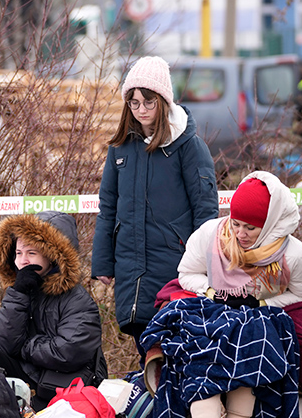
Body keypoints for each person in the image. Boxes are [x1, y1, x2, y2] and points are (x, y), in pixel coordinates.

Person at [142, 171, 302, 418]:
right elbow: (187, 274)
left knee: (251, 339)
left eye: (251, 227)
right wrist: (212, 292)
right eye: (236, 223)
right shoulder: (212, 235)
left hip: (258, 317)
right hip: (211, 310)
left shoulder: (294, 254)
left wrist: (262, 303)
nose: (240, 234)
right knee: (200, 346)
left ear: (270, 224)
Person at [92, 56, 219, 355]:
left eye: (148, 102)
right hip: (129, 271)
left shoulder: (189, 146)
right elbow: (107, 207)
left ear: (163, 101)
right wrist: (102, 263)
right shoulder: (120, 148)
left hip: (175, 268)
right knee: (145, 353)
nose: (141, 110)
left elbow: (205, 210)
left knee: (173, 355)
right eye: (134, 103)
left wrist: (204, 264)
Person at [0, 211, 106, 411]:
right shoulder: (22, 292)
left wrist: (25, 347)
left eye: (31, 253)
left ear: (52, 256)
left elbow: (66, 352)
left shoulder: (77, 300)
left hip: (64, 385)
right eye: (18, 253)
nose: (23, 260)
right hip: (30, 376)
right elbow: (0, 346)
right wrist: (18, 293)